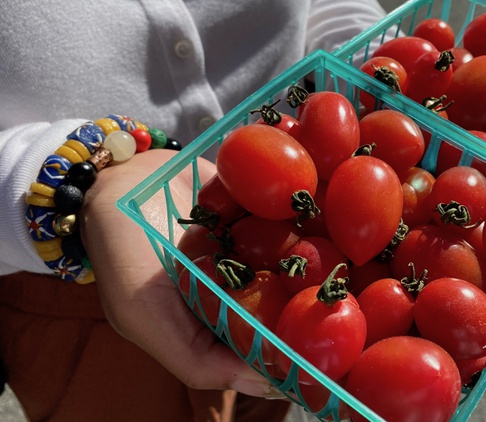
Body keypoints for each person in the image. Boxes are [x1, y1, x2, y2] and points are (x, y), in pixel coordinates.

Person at [0, 1, 389, 420]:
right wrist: (68, 181)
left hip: (278, 282)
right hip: (73, 282)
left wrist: (377, 70)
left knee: (265, 396)